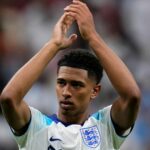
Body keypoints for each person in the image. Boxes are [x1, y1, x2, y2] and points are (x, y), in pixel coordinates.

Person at [0, 0, 141, 149]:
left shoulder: (105, 127)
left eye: (76, 85)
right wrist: (53, 45)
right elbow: (9, 98)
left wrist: (93, 37)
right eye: (61, 83)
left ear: (95, 91)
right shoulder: (36, 127)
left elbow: (131, 96)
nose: (66, 92)